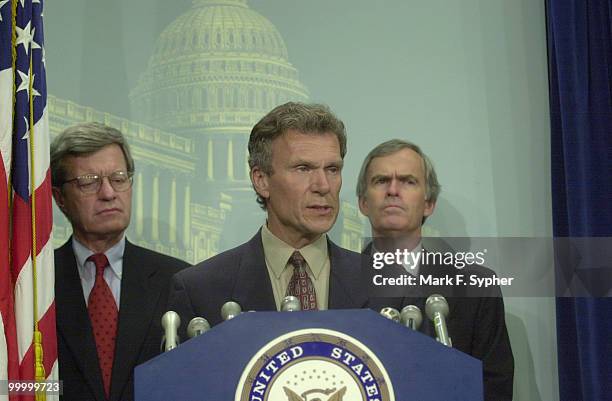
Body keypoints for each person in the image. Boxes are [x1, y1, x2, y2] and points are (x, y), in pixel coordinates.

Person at [168, 102, 375, 332]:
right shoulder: (200, 290)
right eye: (303, 168)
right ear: (261, 180)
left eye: (333, 169)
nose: (323, 186)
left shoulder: (383, 287)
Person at [356, 139, 514, 401]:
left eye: (408, 181)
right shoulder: (336, 280)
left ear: (429, 203)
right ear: (363, 203)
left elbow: (495, 385)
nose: (393, 190)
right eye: (381, 181)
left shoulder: (476, 286)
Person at [51, 122, 189, 401]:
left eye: (118, 178)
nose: (108, 193)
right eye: (89, 182)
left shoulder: (178, 280)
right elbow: (11, 386)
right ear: (60, 198)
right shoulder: (33, 286)